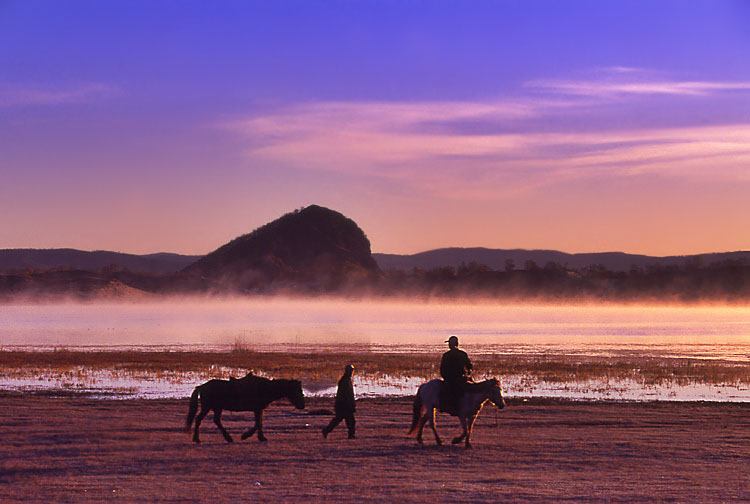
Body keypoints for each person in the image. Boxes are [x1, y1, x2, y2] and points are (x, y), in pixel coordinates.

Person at [439, 335, 473, 414]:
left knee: (445, 392)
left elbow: (442, 369)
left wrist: (445, 377)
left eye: (449, 343)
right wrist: (469, 372)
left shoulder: (446, 355)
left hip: (450, 379)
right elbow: (469, 365)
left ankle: (446, 407)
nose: (449, 345)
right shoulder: (462, 354)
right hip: (461, 378)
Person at [322, 364, 356, 439]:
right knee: (348, 420)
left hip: (344, 404)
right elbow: (345, 394)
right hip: (344, 405)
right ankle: (326, 430)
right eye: (351, 371)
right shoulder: (345, 380)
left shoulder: (346, 380)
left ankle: (327, 430)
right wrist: (350, 404)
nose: (351, 372)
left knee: (342, 420)